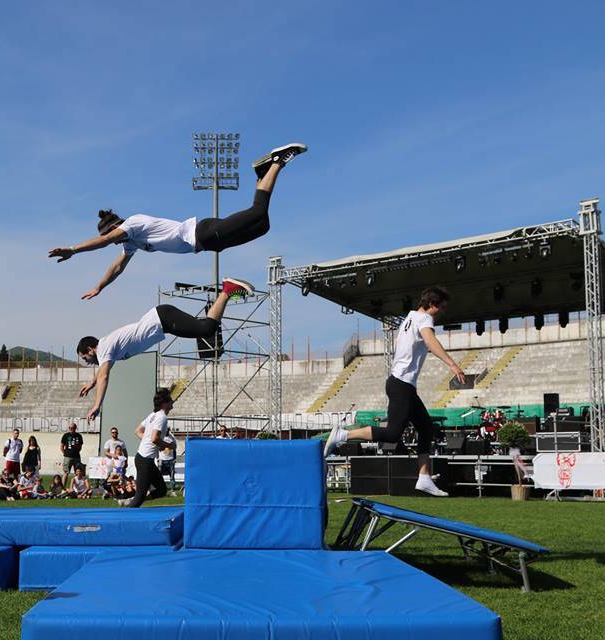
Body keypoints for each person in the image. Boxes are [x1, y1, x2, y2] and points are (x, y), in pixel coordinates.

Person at [48, 143, 307, 300]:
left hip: (203, 233)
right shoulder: (133, 243)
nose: (117, 244)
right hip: (208, 244)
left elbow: (104, 242)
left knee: (258, 213)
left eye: (114, 237)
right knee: (263, 226)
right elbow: (117, 267)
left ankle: (276, 162)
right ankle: (261, 175)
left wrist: (72, 250)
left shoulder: (134, 224)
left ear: (116, 227)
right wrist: (99, 287)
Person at [324, 287, 464, 497]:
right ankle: (343, 434)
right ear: (432, 304)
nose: (442, 312)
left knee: (426, 428)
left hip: (401, 384)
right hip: (402, 384)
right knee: (392, 433)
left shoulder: (410, 317)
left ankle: (424, 478)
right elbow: (430, 341)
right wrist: (452, 364)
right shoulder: (425, 319)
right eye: (441, 308)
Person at [77, 277, 254, 421]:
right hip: (163, 321)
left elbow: (104, 375)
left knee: (206, 329)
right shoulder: (107, 350)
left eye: (85, 358)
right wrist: (91, 383)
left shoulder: (104, 348)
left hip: (162, 319)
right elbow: (102, 371)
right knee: (205, 328)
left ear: (91, 349)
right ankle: (228, 292)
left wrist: (97, 405)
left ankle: (227, 290)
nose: (87, 362)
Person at [119, 388, 176, 507]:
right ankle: (123, 516)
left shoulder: (153, 415)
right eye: (170, 400)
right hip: (145, 460)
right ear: (164, 403)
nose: (172, 402)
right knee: (140, 496)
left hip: (144, 458)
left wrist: (156, 443)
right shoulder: (161, 417)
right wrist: (169, 445)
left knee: (161, 490)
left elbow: (138, 431)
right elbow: (154, 438)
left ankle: (130, 502)